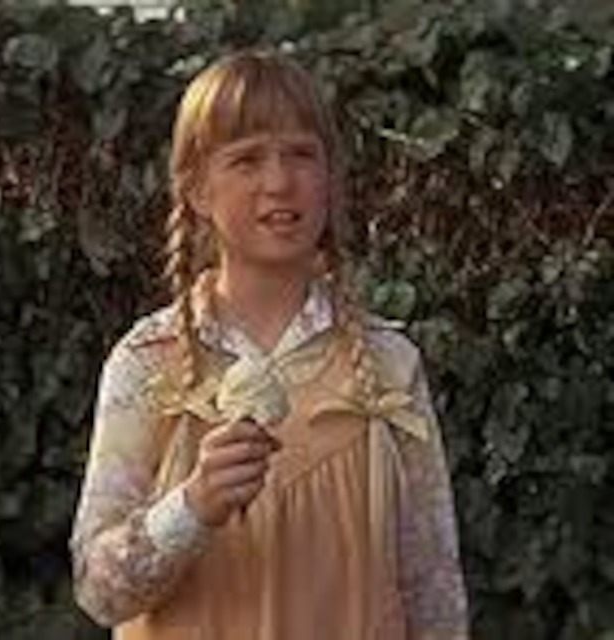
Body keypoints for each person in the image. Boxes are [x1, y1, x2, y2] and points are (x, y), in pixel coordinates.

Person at [70, 49, 469, 640]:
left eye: (301, 155)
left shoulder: (389, 363)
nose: (280, 182)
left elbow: (433, 591)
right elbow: (99, 592)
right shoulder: (148, 362)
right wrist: (194, 505)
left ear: (330, 176)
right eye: (247, 159)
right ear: (197, 188)